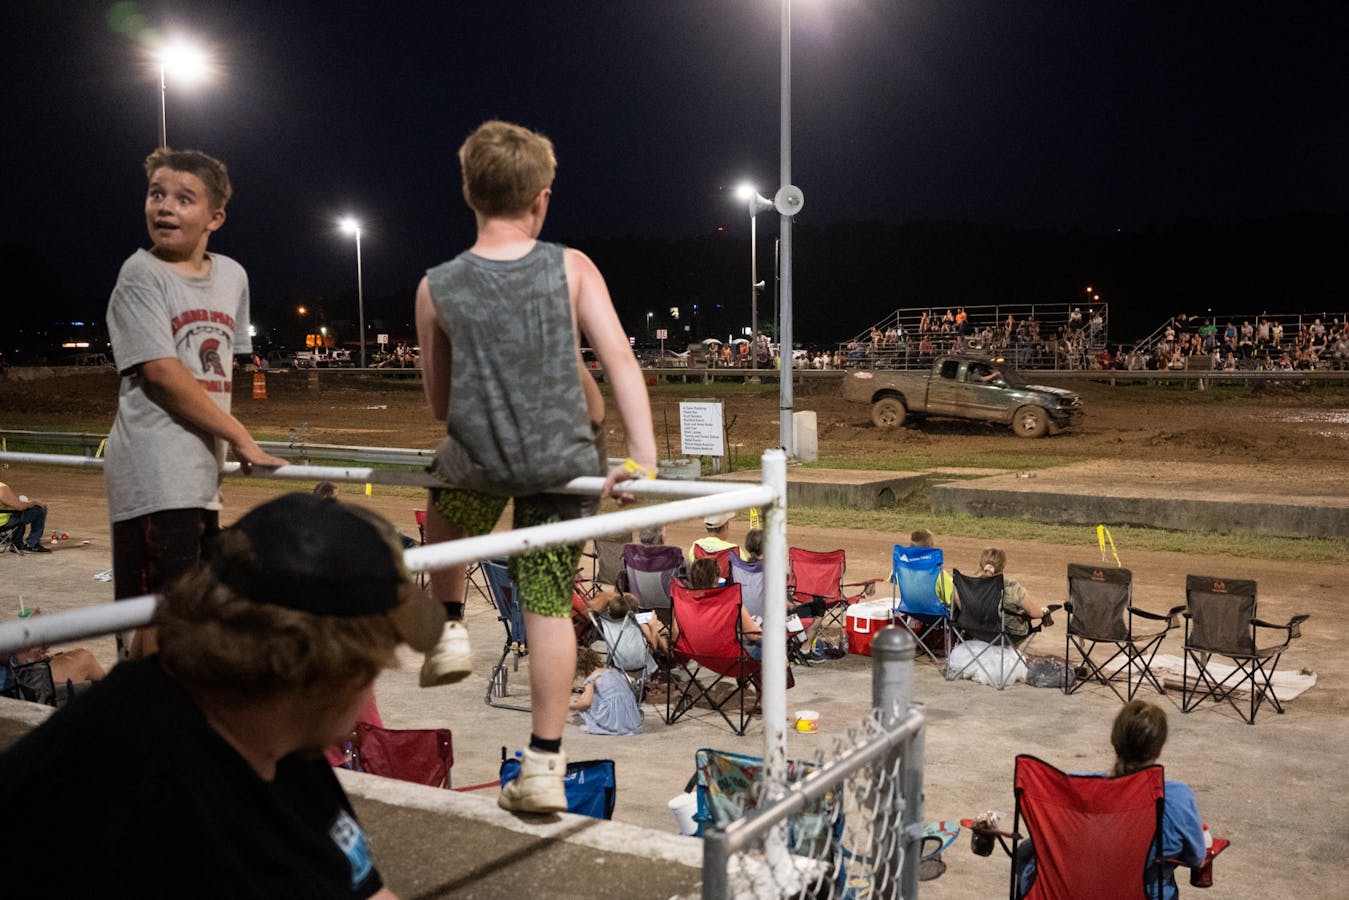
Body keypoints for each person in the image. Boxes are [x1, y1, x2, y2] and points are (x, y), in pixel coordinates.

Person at [0, 492, 443, 897]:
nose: (370, 691)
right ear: (324, 675)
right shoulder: (154, 791)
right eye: (372, 668)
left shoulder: (266, 733)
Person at [414, 120, 656, 814]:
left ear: (468, 192)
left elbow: (437, 402)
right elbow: (618, 360)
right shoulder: (572, 266)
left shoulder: (435, 286)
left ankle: (451, 625)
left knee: (446, 509)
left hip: (480, 458)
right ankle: (544, 765)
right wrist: (642, 453)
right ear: (541, 199)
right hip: (564, 462)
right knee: (547, 605)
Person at [104, 147, 288, 659]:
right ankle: (143, 720)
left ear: (215, 217)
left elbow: (224, 365)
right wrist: (239, 435)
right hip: (151, 467)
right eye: (156, 193)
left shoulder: (233, 276)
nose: (164, 207)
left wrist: (224, 441)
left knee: (199, 610)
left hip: (202, 470)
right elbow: (162, 374)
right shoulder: (139, 275)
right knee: (164, 615)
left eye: (184, 199)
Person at [1017, 701, 1206, 899]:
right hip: (1143, 894)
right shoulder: (1176, 798)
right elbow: (1197, 858)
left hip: (1070, 893)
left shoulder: (1073, 789)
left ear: (1113, 738)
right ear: (1160, 748)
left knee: (1028, 850)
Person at [960, 548, 1053, 639]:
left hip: (976, 631)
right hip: (1007, 636)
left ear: (981, 564)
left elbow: (961, 606)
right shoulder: (1012, 588)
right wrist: (1045, 611)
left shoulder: (968, 586)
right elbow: (1035, 613)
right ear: (1003, 567)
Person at [568, 647, 642, 736]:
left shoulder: (591, 679)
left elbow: (586, 703)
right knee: (599, 694)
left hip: (613, 718)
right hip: (630, 716)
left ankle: (599, 724)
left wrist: (572, 706)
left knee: (585, 696)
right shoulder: (612, 671)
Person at [0, 480, 51, 553]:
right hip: (3, 524)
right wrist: (33, 502)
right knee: (40, 509)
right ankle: (32, 544)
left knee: (19, 514)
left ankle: (16, 543)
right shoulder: (2, 488)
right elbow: (20, 507)